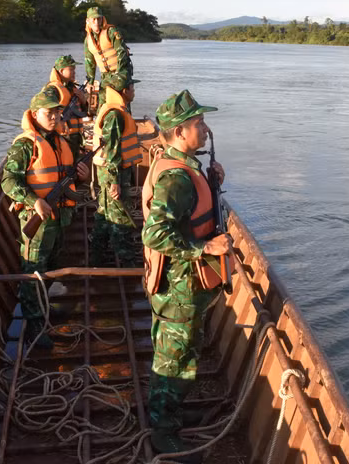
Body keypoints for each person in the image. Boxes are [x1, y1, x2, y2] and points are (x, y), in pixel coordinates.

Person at [141, 90, 232, 463]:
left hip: (185, 285)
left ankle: (171, 412)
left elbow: (191, 213)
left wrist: (212, 183)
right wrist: (205, 249)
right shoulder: (175, 179)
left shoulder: (181, 164)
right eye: (198, 124)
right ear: (179, 131)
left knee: (181, 353)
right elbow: (156, 234)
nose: (206, 130)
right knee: (174, 359)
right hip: (179, 287)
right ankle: (163, 430)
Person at [1, 86, 90, 348]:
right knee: (33, 272)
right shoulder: (26, 146)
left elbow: (68, 178)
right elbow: (8, 181)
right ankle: (35, 327)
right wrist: (34, 200)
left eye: (57, 112)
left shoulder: (61, 142)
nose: (54, 117)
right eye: (48, 113)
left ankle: (45, 307)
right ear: (35, 114)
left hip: (60, 217)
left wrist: (82, 176)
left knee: (51, 265)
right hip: (37, 222)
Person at [90, 76, 142, 267]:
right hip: (114, 174)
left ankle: (96, 258)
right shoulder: (115, 115)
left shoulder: (119, 111)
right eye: (131, 87)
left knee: (104, 216)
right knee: (121, 220)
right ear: (123, 91)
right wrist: (115, 182)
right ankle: (129, 267)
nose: (134, 91)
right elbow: (112, 151)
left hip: (115, 173)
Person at [84, 6, 132, 108]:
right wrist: (90, 82)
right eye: (93, 19)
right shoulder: (88, 40)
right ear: (88, 21)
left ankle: (126, 119)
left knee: (119, 98)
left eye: (99, 18)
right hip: (106, 75)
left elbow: (122, 52)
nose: (96, 22)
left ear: (102, 19)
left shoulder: (111, 31)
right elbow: (90, 63)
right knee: (102, 103)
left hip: (122, 71)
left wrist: (118, 74)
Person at [46, 54, 88, 158]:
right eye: (71, 69)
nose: (74, 72)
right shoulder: (53, 89)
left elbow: (84, 113)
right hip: (63, 137)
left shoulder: (73, 89)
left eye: (75, 69)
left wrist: (83, 100)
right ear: (61, 71)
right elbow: (45, 111)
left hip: (76, 138)